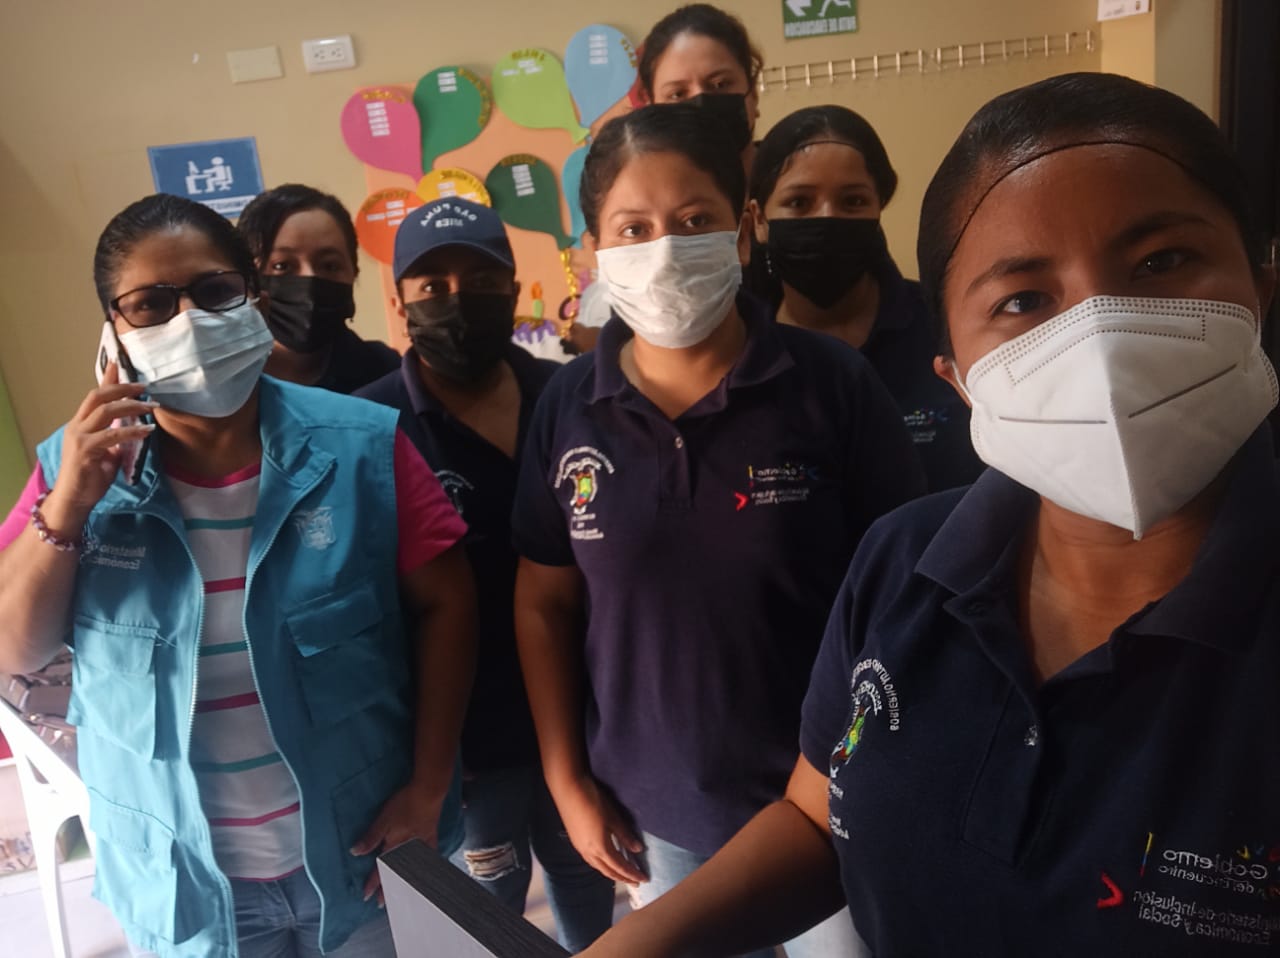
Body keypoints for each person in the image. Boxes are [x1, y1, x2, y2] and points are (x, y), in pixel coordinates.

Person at [580, 72, 1280, 957]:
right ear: (955, 376)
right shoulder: (906, 561)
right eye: (1023, 301)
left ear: (1261, 285)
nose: (1101, 335)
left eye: (1161, 262)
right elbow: (819, 814)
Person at [0, 194, 477, 957]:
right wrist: (69, 504)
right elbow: (14, 650)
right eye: (152, 304)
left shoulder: (362, 446)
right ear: (113, 334)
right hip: (186, 883)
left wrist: (429, 786)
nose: (188, 320)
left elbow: (449, 606)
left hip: (361, 860)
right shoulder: (71, 469)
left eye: (214, 291)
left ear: (253, 297)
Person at [512, 102, 924, 958]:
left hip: (827, 802)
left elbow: (902, 593)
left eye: (695, 219)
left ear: (742, 229)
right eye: (634, 228)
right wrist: (566, 779)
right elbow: (544, 600)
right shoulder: (567, 408)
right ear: (595, 249)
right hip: (655, 813)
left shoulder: (831, 384)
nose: (665, 248)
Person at [356, 198, 616, 952]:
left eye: (479, 279)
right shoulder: (368, 427)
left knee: (587, 892)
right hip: (461, 746)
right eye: (432, 285)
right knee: (485, 913)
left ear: (511, 287)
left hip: (579, 722)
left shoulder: (570, 397)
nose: (456, 299)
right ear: (399, 302)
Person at [748, 105, 983, 491]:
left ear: (879, 208)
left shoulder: (945, 324)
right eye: (799, 202)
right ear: (758, 219)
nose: (827, 217)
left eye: (853, 201)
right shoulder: (741, 351)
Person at [238, 183, 400, 393]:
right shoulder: (217, 381)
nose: (310, 279)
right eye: (282, 266)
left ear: (354, 272)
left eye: (329, 266)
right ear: (246, 278)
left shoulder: (387, 373)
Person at [638, 3, 763, 177]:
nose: (700, 104)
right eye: (677, 94)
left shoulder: (796, 178)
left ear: (753, 93)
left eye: (720, 84)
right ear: (651, 108)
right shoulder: (641, 192)